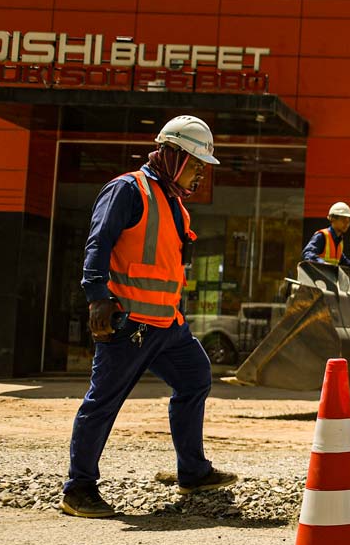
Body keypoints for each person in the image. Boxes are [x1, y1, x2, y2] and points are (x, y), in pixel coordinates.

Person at [61, 115, 238, 518]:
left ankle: (192, 471)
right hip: (128, 324)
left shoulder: (174, 203)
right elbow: (99, 242)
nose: (198, 176)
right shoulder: (128, 189)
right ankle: (79, 488)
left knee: (196, 378)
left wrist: (176, 313)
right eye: (195, 165)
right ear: (173, 155)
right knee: (103, 403)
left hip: (166, 325)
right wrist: (97, 297)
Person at [302, 202, 350, 269]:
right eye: (343, 220)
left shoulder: (339, 240)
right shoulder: (322, 236)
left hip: (328, 278)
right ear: (332, 219)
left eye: (348, 221)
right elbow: (307, 253)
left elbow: (344, 261)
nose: (347, 224)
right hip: (317, 278)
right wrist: (323, 264)